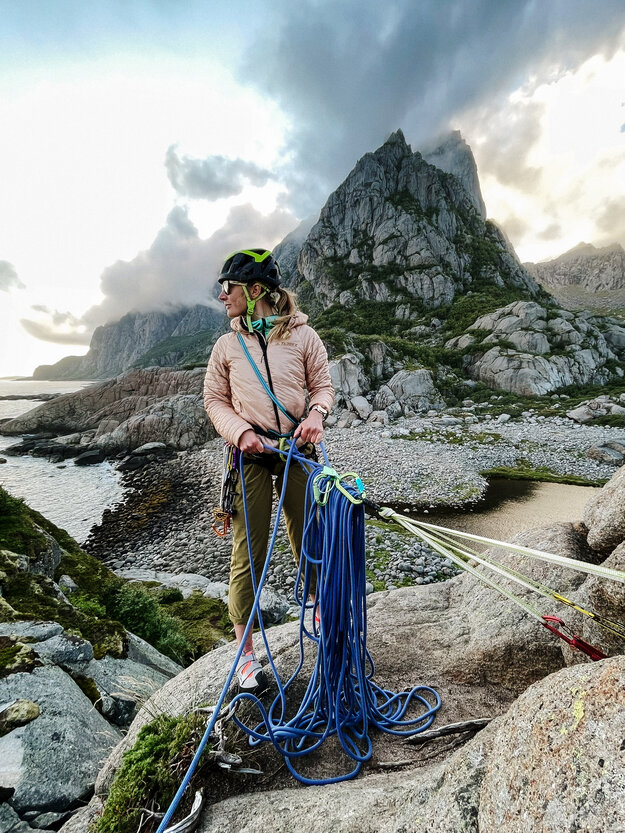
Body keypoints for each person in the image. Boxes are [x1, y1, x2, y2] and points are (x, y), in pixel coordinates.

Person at [203, 248, 334, 691]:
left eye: (228, 287)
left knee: (308, 534)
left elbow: (322, 386)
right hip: (251, 453)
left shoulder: (303, 336)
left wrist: (316, 415)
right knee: (250, 552)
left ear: (254, 290)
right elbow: (214, 401)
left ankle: (317, 605)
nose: (222, 296)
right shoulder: (226, 346)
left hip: (297, 446)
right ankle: (244, 653)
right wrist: (240, 432)